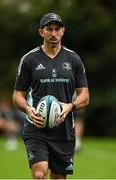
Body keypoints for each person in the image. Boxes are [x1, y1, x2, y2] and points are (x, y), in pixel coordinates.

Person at [12, 12, 90, 179]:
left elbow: (84, 95)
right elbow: (18, 95)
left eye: (57, 29)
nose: (53, 34)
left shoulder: (73, 59)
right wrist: (28, 109)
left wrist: (71, 106)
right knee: (39, 173)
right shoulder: (29, 59)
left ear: (63, 31)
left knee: (58, 178)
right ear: (42, 32)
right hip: (36, 128)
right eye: (49, 29)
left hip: (64, 131)